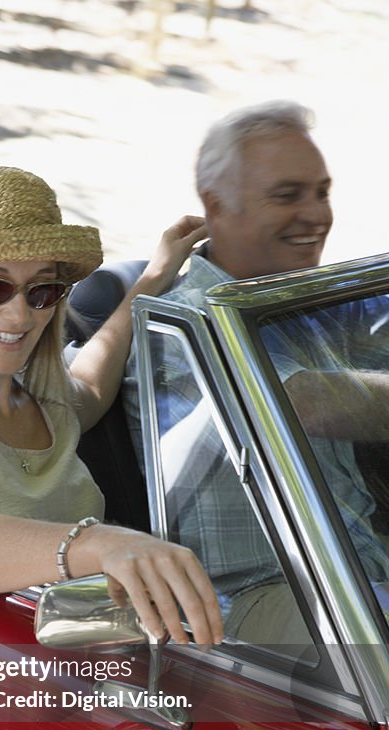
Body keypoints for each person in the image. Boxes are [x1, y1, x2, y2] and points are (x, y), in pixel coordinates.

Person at [0, 164, 223, 647]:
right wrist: (101, 544)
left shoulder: (47, 403)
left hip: (107, 650)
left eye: (43, 290)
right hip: (8, 674)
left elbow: (94, 378)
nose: (19, 313)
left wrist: (155, 275)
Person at [121, 100, 389, 642]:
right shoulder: (186, 318)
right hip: (256, 604)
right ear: (218, 207)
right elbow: (304, 403)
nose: (316, 214)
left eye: (322, 192)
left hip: (355, 574)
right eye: (287, 196)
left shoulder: (290, 292)